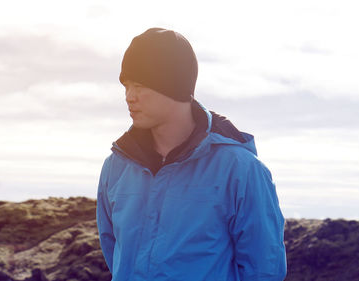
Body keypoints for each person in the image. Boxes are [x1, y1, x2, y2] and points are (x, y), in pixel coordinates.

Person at [96, 27, 287, 281]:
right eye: (126, 86)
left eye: (139, 85)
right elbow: (115, 254)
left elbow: (264, 269)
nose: (129, 97)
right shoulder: (116, 167)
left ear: (172, 86)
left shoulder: (240, 170)